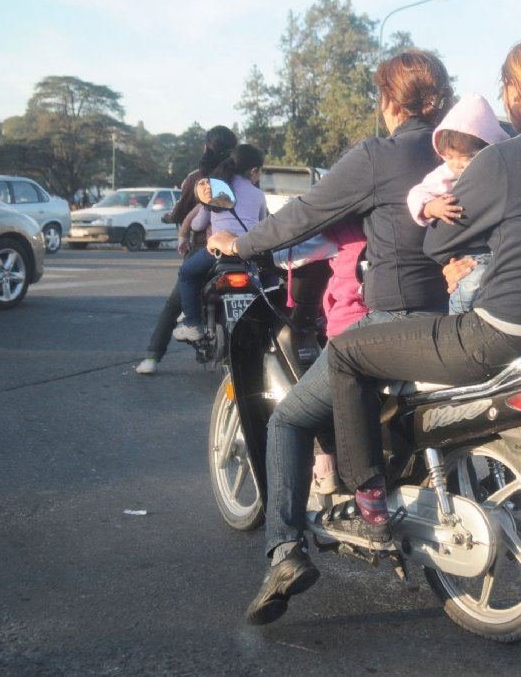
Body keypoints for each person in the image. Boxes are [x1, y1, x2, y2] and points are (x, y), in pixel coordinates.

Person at [323, 35, 521, 558]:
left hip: (498, 335)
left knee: (349, 352)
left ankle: (367, 500)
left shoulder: (506, 158)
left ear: (515, 92)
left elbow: (438, 239)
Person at [205, 50, 453, 626]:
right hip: (449, 320)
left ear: (390, 100)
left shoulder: (378, 156)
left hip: (390, 322)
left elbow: (305, 214)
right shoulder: (457, 156)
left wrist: (239, 246)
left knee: (290, 417)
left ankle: (285, 552)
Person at [135, 125, 237, 375]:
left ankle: (153, 356)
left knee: (174, 303)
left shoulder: (198, 179)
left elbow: (185, 213)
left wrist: (176, 225)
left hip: (206, 251)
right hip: (242, 250)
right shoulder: (243, 179)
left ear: (206, 147)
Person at [405, 92, 510, 312]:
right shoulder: (444, 176)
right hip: (466, 253)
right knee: (469, 285)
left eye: (468, 157)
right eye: (450, 157)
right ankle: (457, 322)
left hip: (494, 252)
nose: (458, 164)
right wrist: (431, 207)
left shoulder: (500, 174)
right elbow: (417, 193)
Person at [172, 144, 267, 342]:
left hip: (220, 251)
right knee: (269, 281)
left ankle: (192, 323)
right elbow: (261, 224)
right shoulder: (258, 194)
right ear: (254, 171)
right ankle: (271, 319)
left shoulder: (215, 189)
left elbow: (198, 225)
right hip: (248, 251)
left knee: (187, 273)